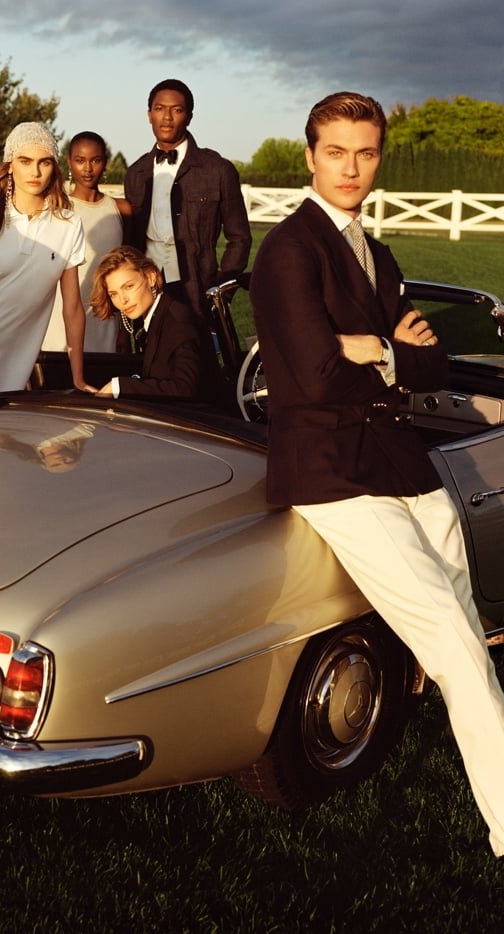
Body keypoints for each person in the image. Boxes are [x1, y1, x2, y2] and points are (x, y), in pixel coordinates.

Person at [249, 90, 504, 858]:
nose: (351, 167)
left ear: (378, 158)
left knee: (464, 634)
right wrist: (382, 353)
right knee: (455, 643)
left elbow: (429, 363)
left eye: (365, 153)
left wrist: (379, 350)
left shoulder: (378, 253)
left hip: (402, 464)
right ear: (310, 157)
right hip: (332, 473)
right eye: (336, 152)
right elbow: (317, 376)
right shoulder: (289, 250)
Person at [0, 122, 94, 407]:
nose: (35, 172)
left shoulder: (68, 225)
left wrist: (78, 376)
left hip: (15, 359)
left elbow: (73, 307)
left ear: (54, 167)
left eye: (44, 162)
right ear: (10, 165)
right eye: (25, 161)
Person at [125, 78, 251, 319]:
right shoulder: (135, 173)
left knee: (198, 344)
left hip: (197, 288)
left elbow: (240, 237)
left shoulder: (218, 170)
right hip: (146, 288)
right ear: (149, 115)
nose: (167, 117)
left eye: (177, 110)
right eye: (159, 109)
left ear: (190, 116)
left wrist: (221, 288)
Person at [90, 246, 218, 401]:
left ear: (150, 277)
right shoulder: (154, 316)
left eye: (129, 286)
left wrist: (119, 387)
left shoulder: (178, 322)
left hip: (200, 413)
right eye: (113, 294)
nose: (123, 300)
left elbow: (185, 389)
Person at [42, 131, 131, 353]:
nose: (88, 168)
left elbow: (129, 271)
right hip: (60, 316)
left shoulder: (120, 209)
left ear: (105, 162)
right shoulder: (56, 208)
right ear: (69, 162)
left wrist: (123, 327)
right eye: (80, 160)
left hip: (104, 315)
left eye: (96, 160)